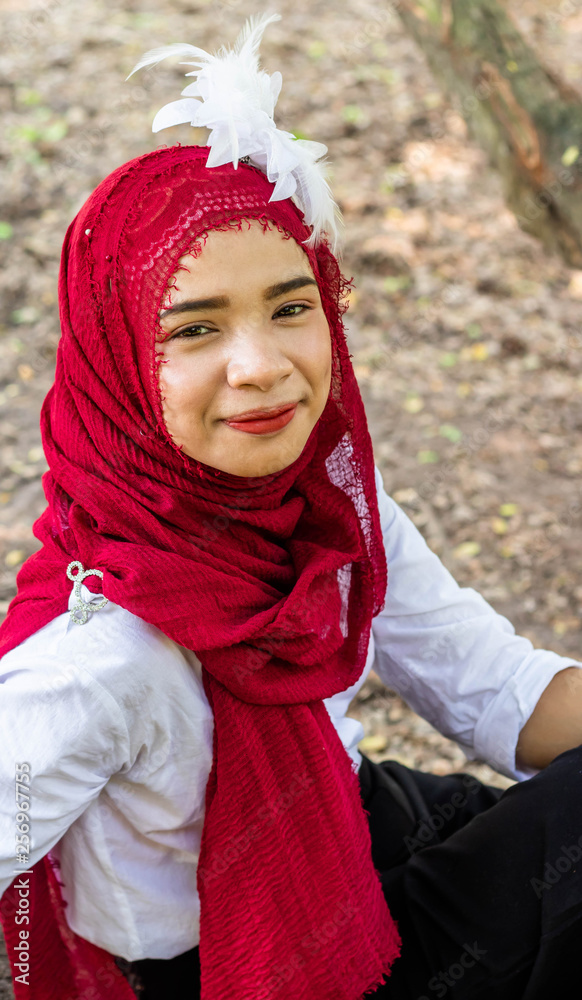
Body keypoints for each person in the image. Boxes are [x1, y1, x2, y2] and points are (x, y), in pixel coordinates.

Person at [1, 13, 582, 1000]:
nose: (262, 365)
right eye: (195, 327)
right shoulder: (104, 660)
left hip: (345, 833)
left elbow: (492, 685)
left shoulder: (319, 510)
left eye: (290, 304)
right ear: (116, 369)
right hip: (249, 967)